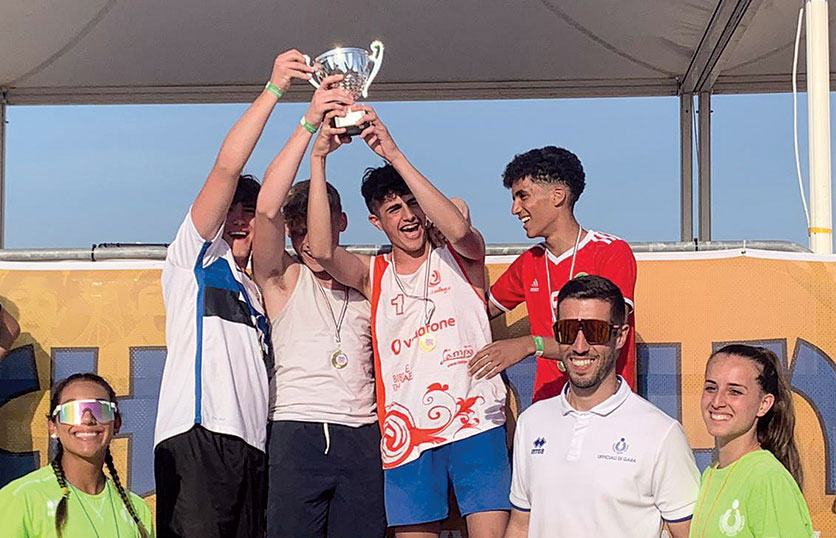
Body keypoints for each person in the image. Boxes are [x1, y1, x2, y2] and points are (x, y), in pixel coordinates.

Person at [306, 106, 510, 538]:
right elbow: (321, 249)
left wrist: (394, 154)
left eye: (412, 204)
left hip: (476, 422)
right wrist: (319, 159)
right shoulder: (373, 273)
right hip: (407, 434)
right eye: (393, 209)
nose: (407, 216)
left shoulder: (460, 255)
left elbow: (456, 222)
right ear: (376, 222)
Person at [153, 50, 314, 538]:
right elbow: (228, 166)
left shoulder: (259, 287)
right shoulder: (195, 259)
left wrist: (310, 127)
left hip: (254, 448)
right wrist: (276, 91)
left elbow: (274, 211)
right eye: (235, 210)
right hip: (198, 438)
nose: (243, 219)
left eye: (253, 210)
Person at [251, 76, 386, 538]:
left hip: (363, 433)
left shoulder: (371, 279)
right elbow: (265, 209)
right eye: (298, 226)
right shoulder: (283, 279)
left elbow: (459, 209)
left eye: (317, 221)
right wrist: (313, 141)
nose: (307, 236)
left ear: (340, 221)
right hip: (296, 428)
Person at [505, 275, 699, 538]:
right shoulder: (532, 421)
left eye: (595, 331)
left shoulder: (661, 433)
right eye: (568, 331)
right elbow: (520, 524)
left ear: (620, 336)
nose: (580, 346)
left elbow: (688, 532)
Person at [468, 146, 637, 403]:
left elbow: (602, 337)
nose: (515, 209)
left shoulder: (611, 252)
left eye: (523, 196)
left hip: (606, 405)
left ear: (558, 195)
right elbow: (476, 311)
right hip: (549, 405)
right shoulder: (529, 262)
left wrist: (529, 345)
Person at [0, 373, 154, 537]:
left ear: (116, 423)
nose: (87, 419)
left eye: (100, 409)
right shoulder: (21, 498)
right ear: (53, 427)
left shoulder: (137, 509)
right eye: (72, 411)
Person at [689, 344, 814, 537]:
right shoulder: (709, 475)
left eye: (735, 391)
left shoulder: (767, 477)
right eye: (711, 388)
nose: (717, 401)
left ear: (763, 405)